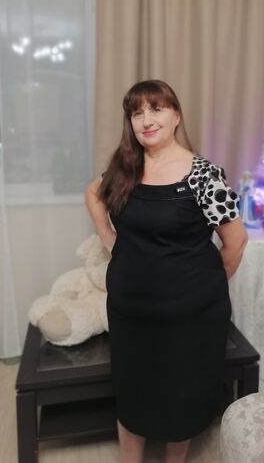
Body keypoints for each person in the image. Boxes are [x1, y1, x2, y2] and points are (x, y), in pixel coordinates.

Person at [85, 79, 248, 463]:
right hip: (130, 311)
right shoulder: (125, 167)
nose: (146, 120)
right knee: (133, 392)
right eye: (137, 112)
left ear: (176, 116)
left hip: (191, 318)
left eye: (156, 109)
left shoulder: (204, 174)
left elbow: (236, 241)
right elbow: (93, 195)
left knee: (181, 395)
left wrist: (201, 285)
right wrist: (110, 239)